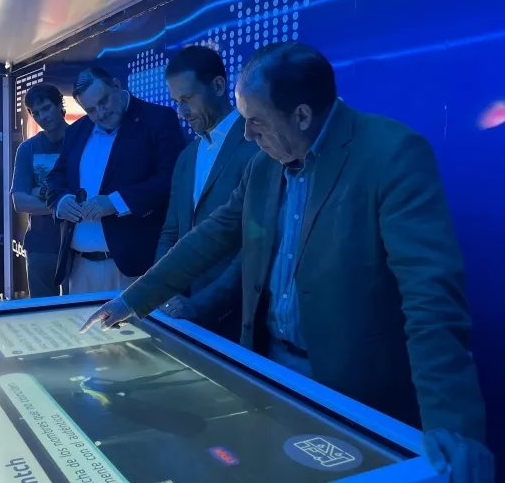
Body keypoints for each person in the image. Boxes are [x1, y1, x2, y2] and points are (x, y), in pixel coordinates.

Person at [82, 42, 494, 482]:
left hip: (353, 389)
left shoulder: (391, 155)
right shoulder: (263, 165)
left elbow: (430, 296)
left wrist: (451, 425)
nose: (246, 135)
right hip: (270, 372)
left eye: (256, 121)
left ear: (301, 115)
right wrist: (134, 300)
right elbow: (210, 237)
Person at [46, 66, 186, 294]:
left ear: (117, 85)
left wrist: (116, 202)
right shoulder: (76, 131)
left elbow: (172, 177)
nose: (100, 114)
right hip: (79, 267)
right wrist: (61, 201)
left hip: (133, 267)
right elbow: (55, 177)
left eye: (104, 101)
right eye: (91, 110)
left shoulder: (157, 119)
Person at [155, 45, 258, 337]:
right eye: (177, 102)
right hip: (182, 314)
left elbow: (254, 246)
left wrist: (202, 305)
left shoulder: (258, 145)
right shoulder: (187, 156)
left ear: (219, 86)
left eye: (187, 99)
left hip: (238, 319)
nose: (181, 111)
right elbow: (171, 232)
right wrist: (162, 289)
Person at [11, 83, 69, 297]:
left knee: (77, 309)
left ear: (59, 105)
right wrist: (63, 206)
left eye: (46, 108)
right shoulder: (27, 148)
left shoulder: (81, 141)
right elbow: (19, 201)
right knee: (43, 309)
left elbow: (86, 195)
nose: (42, 116)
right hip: (40, 244)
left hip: (77, 245)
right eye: (35, 113)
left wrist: (37, 192)